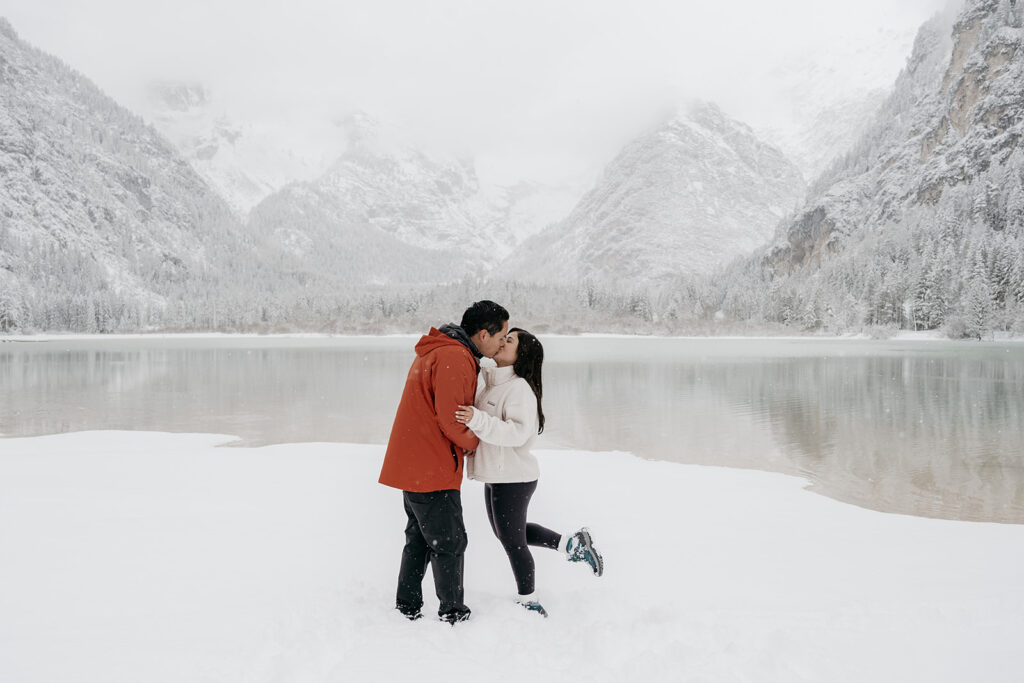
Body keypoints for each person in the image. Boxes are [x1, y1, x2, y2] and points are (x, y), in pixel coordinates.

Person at [455, 327, 603, 618]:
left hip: (514, 478)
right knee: (509, 534)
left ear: (520, 355)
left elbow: (517, 434)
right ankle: (573, 544)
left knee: (513, 541)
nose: (502, 342)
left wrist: (477, 420)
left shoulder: (519, 388)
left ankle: (530, 601)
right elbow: (491, 429)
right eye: (504, 337)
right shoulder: (493, 381)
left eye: (509, 341)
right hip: (500, 474)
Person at [379, 300, 509, 624]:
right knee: (449, 541)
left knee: (421, 538)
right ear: (482, 334)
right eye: (501, 336)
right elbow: (452, 421)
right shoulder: (454, 356)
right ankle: (453, 612)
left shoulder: (443, 350)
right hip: (431, 466)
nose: (503, 343)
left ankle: (407, 605)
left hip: (415, 462)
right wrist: (478, 443)